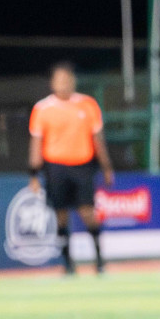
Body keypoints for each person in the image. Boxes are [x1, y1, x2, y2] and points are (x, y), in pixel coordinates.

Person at [27, 62, 115, 276]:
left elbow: (98, 139)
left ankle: (99, 261)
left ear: (73, 81)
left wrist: (106, 167)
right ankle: (68, 263)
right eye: (59, 79)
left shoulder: (87, 105)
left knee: (88, 212)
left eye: (67, 79)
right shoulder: (42, 108)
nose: (63, 83)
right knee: (61, 215)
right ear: (52, 83)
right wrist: (33, 174)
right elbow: (36, 143)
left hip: (82, 165)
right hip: (55, 167)